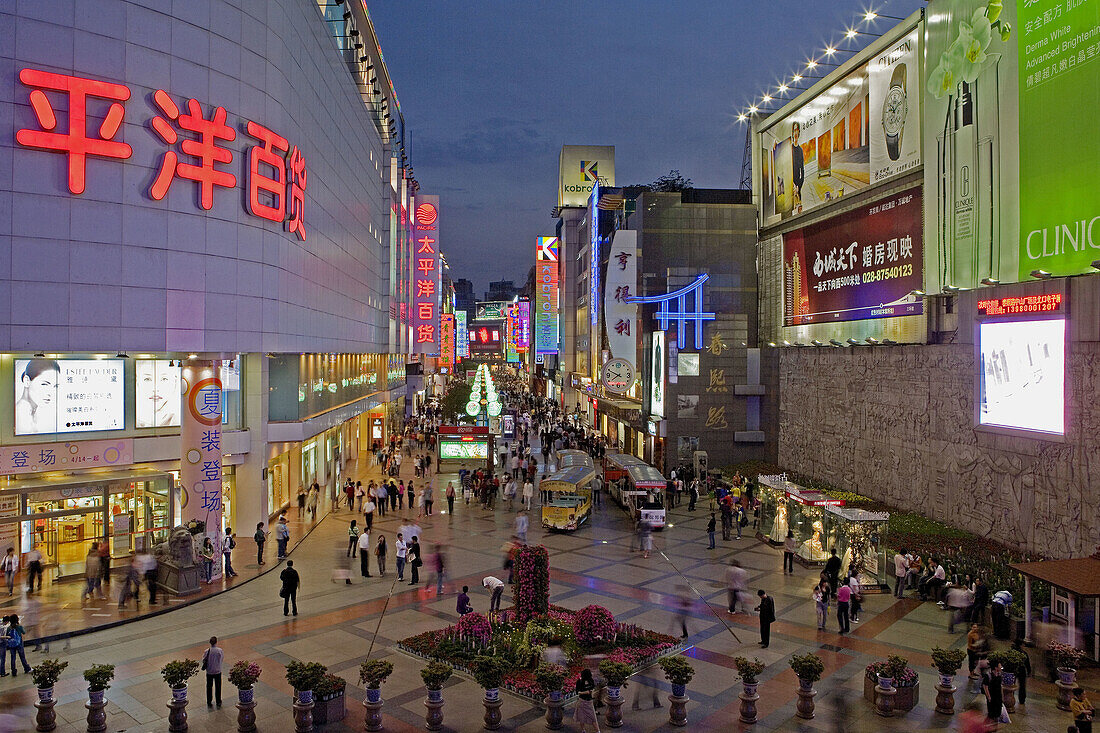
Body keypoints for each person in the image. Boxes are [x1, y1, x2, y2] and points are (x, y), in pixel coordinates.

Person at [15, 358, 60, 434]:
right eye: (44, 384)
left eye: (55, 386)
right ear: (27, 381)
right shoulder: (20, 416)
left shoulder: (33, 414)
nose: (51, 392)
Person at [574, 668, 601, 733]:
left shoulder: (590, 680)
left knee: (592, 717)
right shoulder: (580, 681)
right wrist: (586, 692)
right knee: (581, 716)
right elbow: (577, 692)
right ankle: (583, 730)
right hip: (582, 701)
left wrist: (590, 692)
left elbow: (592, 688)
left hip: (588, 702)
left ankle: (597, 731)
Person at [202, 636, 224, 707]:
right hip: (217, 671)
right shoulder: (219, 650)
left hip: (209, 672)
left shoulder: (207, 651)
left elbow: (203, 660)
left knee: (209, 687)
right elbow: (221, 658)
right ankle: (218, 701)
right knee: (218, 687)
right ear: (216, 642)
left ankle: (209, 701)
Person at [982, 660, 1004, 727]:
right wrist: (988, 696)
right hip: (992, 696)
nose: (1001, 667)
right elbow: (985, 686)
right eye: (1000, 666)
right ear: (995, 667)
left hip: (998, 696)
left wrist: (1002, 696)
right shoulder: (988, 675)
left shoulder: (1000, 674)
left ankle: (995, 726)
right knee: (991, 713)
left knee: (998, 713)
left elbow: (1001, 686)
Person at [1012, 638, 1032, 705]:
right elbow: (1027, 664)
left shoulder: (1012, 652)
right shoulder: (1024, 653)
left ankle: (1011, 696)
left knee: (1011, 684)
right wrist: (1029, 671)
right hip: (1021, 671)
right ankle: (1022, 699)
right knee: (1022, 686)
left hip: (1013, 670)